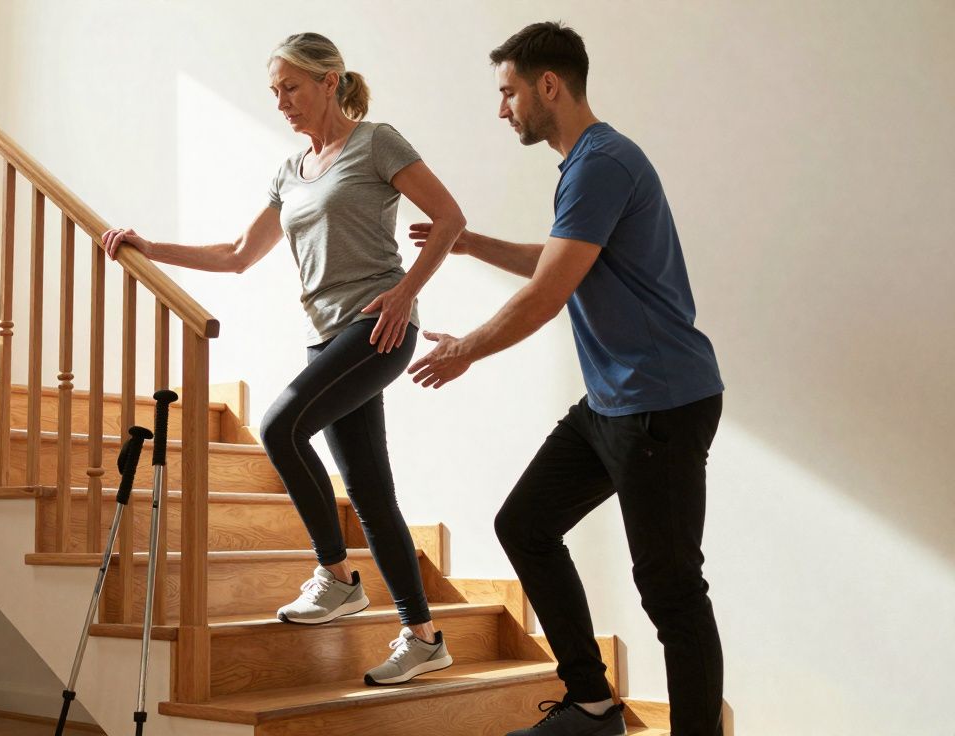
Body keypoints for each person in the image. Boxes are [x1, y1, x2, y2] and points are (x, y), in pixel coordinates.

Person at [102, 32, 465, 685]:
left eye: (291, 87)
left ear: (330, 81)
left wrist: (404, 295)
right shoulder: (290, 170)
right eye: (274, 92)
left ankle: (334, 574)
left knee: (277, 426)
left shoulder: (377, 142)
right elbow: (238, 254)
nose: (282, 102)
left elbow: (449, 218)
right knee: (371, 492)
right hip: (326, 335)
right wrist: (148, 245)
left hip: (376, 327)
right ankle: (424, 635)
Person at [407, 21, 725, 736]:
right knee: (525, 523)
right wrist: (468, 243)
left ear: (548, 85)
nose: (502, 109)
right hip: (614, 404)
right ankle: (590, 704)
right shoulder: (586, 164)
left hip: (661, 404)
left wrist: (466, 349)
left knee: (671, 591)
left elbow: (548, 296)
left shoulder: (603, 162)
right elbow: (558, 264)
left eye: (508, 92)